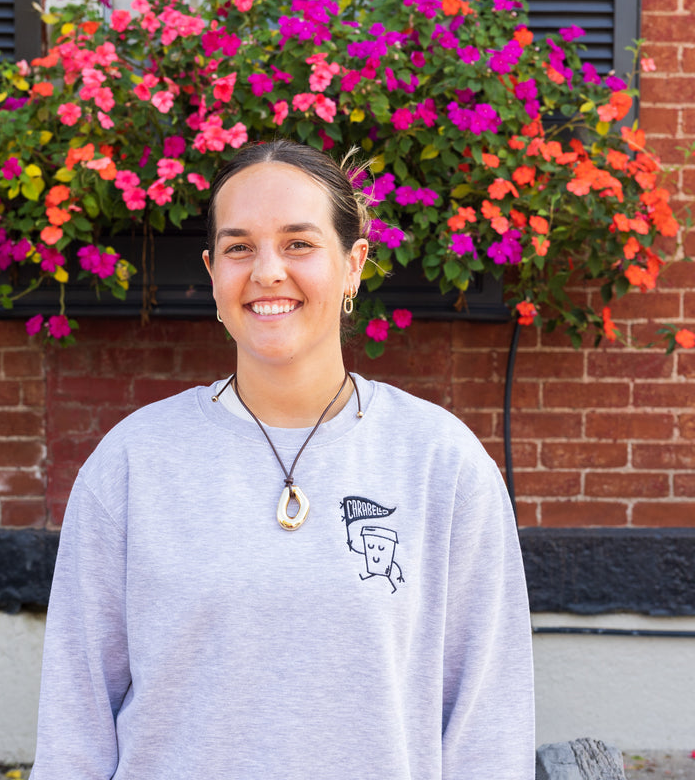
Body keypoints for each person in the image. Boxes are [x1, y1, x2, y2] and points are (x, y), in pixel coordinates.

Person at [30, 140, 535, 779]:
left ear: (353, 265)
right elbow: (75, 722)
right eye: (240, 247)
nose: (267, 271)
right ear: (213, 272)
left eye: (299, 243)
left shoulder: (443, 464)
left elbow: (487, 727)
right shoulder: (132, 464)